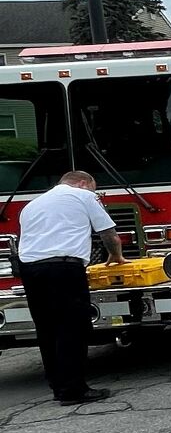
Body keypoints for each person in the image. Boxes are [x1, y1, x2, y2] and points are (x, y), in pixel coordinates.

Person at [16, 169, 120, 404]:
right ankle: (74, 390)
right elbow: (108, 234)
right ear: (83, 183)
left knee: (47, 329)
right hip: (63, 269)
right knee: (71, 327)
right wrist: (117, 256)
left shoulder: (31, 205)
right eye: (94, 188)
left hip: (30, 269)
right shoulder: (84, 196)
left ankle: (58, 387)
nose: (96, 193)